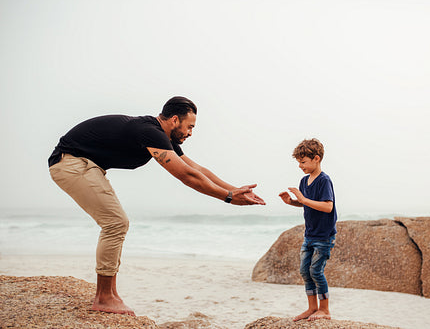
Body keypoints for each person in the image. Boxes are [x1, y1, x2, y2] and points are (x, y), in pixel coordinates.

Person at [48, 96, 266, 316]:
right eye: (189, 126)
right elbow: (186, 175)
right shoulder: (149, 131)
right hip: (71, 163)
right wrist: (227, 197)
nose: (191, 132)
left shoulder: (159, 136)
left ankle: (110, 294)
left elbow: (196, 168)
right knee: (115, 223)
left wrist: (235, 190)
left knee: (116, 224)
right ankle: (104, 297)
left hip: (83, 164)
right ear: (174, 120)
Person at [279, 138, 337, 321]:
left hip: (323, 236)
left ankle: (325, 310)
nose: (300, 166)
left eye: (303, 162)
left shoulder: (324, 180)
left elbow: (328, 206)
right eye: (298, 162)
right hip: (309, 235)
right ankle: (312, 308)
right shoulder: (304, 181)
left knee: (316, 271)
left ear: (316, 158)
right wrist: (293, 202)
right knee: (305, 271)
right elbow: (309, 206)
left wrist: (303, 200)